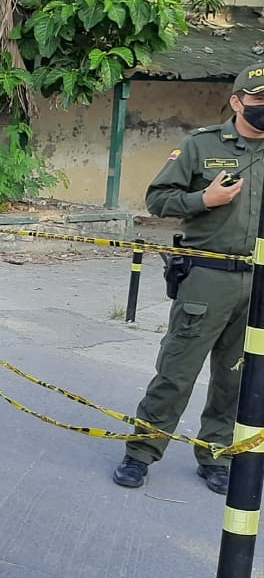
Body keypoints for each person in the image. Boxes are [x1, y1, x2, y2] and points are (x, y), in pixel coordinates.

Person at [111, 63, 264, 495]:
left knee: (236, 379)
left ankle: (214, 455)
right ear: (237, 102)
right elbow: (158, 199)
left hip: (258, 284)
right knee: (177, 371)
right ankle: (141, 452)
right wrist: (205, 198)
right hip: (207, 277)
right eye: (259, 102)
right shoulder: (201, 146)